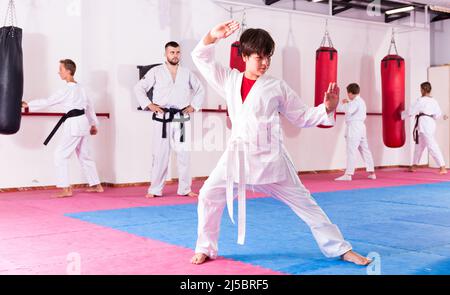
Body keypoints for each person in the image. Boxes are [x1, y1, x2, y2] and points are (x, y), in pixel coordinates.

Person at [189, 20, 372, 266]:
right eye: (259, 57)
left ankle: (340, 249)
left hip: (271, 159)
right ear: (244, 56)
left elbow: (303, 116)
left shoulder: (277, 87)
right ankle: (205, 247)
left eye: (268, 58)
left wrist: (327, 108)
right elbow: (201, 58)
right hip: (237, 157)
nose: (265, 63)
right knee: (209, 194)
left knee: (307, 205)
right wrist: (213, 35)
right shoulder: (229, 80)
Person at [22, 59, 103, 198]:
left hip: (74, 125)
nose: (58, 72)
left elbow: (48, 102)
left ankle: (66, 189)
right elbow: (89, 107)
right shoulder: (81, 88)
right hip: (83, 123)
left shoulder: (66, 90)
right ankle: (96, 185)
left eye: (61, 69)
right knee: (84, 155)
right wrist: (93, 124)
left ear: (68, 71)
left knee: (60, 155)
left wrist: (28, 104)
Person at [134, 41, 205, 198]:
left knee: (184, 154)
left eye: (177, 52)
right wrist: (149, 105)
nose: (175, 55)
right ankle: (154, 189)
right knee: (160, 155)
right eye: (172, 52)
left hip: (180, 117)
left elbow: (200, 89)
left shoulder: (186, 73)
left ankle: (185, 189)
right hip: (162, 118)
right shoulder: (156, 71)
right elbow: (139, 88)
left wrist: (193, 106)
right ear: (165, 54)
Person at [403, 82, 448, 174]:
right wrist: (443, 116)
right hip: (429, 123)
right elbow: (438, 114)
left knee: (432, 145)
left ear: (423, 90)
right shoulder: (434, 101)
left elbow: (411, 111)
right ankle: (414, 166)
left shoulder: (420, 100)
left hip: (425, 124)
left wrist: (401, 115)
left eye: (421, 89)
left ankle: (443, 167)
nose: (420, 91)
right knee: (419, 146)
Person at [335, 83, 376, 181]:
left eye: (348, 94)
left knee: (351, 150)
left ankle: (348, 174)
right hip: (361, 127)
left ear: (350, 93)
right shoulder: (360, 101)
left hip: (354, 127)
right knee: (365, 150)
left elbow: (348, 110)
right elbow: (349, 107)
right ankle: (372, 172)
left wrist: (344, 103)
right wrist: (347, 102)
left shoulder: (355, 102)